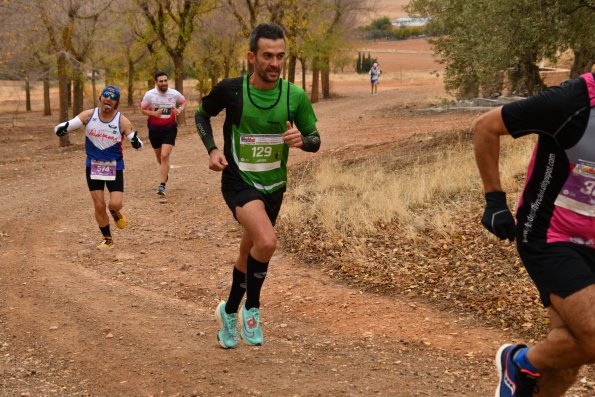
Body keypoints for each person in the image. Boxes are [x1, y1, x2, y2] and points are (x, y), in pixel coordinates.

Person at [195, 23, 321, 349]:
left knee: (247, 253)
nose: (275, 63)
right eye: (267, 56)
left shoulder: (295, 97)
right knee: (266, 243)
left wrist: (302, 141)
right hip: (238, 181)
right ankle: (252, 309)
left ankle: (228, 310)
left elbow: (315, 140)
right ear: (252, 57)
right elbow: (201, 114)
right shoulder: (232, 91)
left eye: (280, 56)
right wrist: (212, 149)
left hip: (274, 186)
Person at [473, 71, 595, 397]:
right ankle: (518, 360)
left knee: (568, 359)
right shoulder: (573, 102)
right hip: (550, 235)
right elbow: (486, 126)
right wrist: (495, 200)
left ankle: (524, 379)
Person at [54, 85, 143, 248]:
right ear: (100, 98)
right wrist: (61, 129)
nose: (108, 99)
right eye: (105, 96)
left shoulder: (122, 120)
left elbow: (135, 140)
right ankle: (107, 239)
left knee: (114, 204)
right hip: (93, 165)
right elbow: (67, 125)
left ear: (117, 103)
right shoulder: (89, 115)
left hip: (114, 166)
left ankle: (115, 212)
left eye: (112, 97)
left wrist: (137, 143)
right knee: (99, 204)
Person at [140, 71, 186, 196]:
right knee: (160, 158)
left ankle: (162, 186)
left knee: (165, 155)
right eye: (161, 81)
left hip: (170, 129)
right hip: (154, 130)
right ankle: (164, 173)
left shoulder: (174, 93)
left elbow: (183, 101)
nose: (164, 83)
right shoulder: (149, 95)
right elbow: (143, 109)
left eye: (165, 80)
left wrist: (179, 110)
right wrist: (154, 114)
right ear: (156, 82)